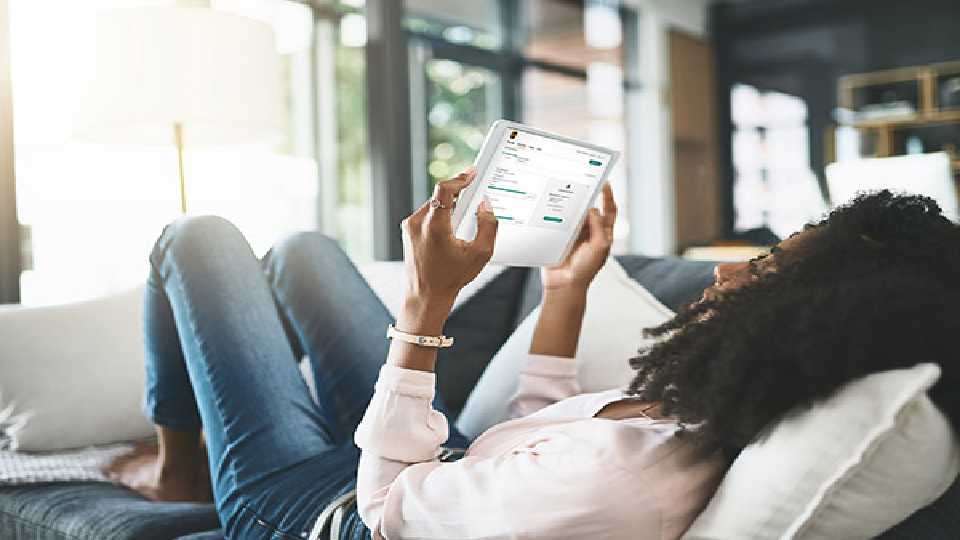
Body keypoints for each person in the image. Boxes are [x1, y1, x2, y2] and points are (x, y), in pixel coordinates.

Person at [105, 169, 960, 540]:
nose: (735, 266)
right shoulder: (703, 410)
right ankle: (254, 427)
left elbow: (385, 510)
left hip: (321, 514)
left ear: (814, 317)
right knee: (298, 249)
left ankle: (185, 474)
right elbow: (519, 444)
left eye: (768, 266)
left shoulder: (625, 487)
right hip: (416, 466)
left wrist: (427, 300)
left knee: (197, 237)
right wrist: (566, 291)